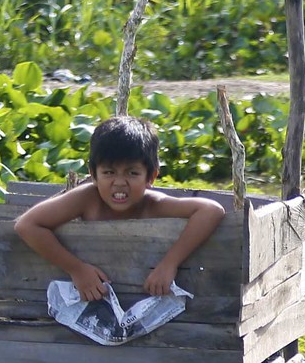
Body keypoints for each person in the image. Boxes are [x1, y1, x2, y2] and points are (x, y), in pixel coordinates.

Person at [14, 115, 226, 300]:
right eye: (109, 172)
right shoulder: (87, 198)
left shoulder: (153, 205)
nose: (119, 182)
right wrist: (76, 269)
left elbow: (211, 210)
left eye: (132, 173)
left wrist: (169, 263)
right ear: (93, 174)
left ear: (151, 177)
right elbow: (27, 225)